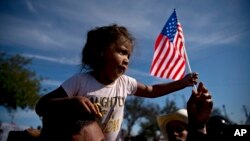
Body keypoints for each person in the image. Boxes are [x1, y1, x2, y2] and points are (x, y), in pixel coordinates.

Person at [35, 24, 198, 141]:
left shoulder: (125, 83)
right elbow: (41, 105)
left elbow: (151, 91)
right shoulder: (79, 82)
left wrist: (181, 83)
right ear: (101, 52)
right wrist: (71, 102)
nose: (126, 60)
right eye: (121, 52)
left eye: (129, 55)